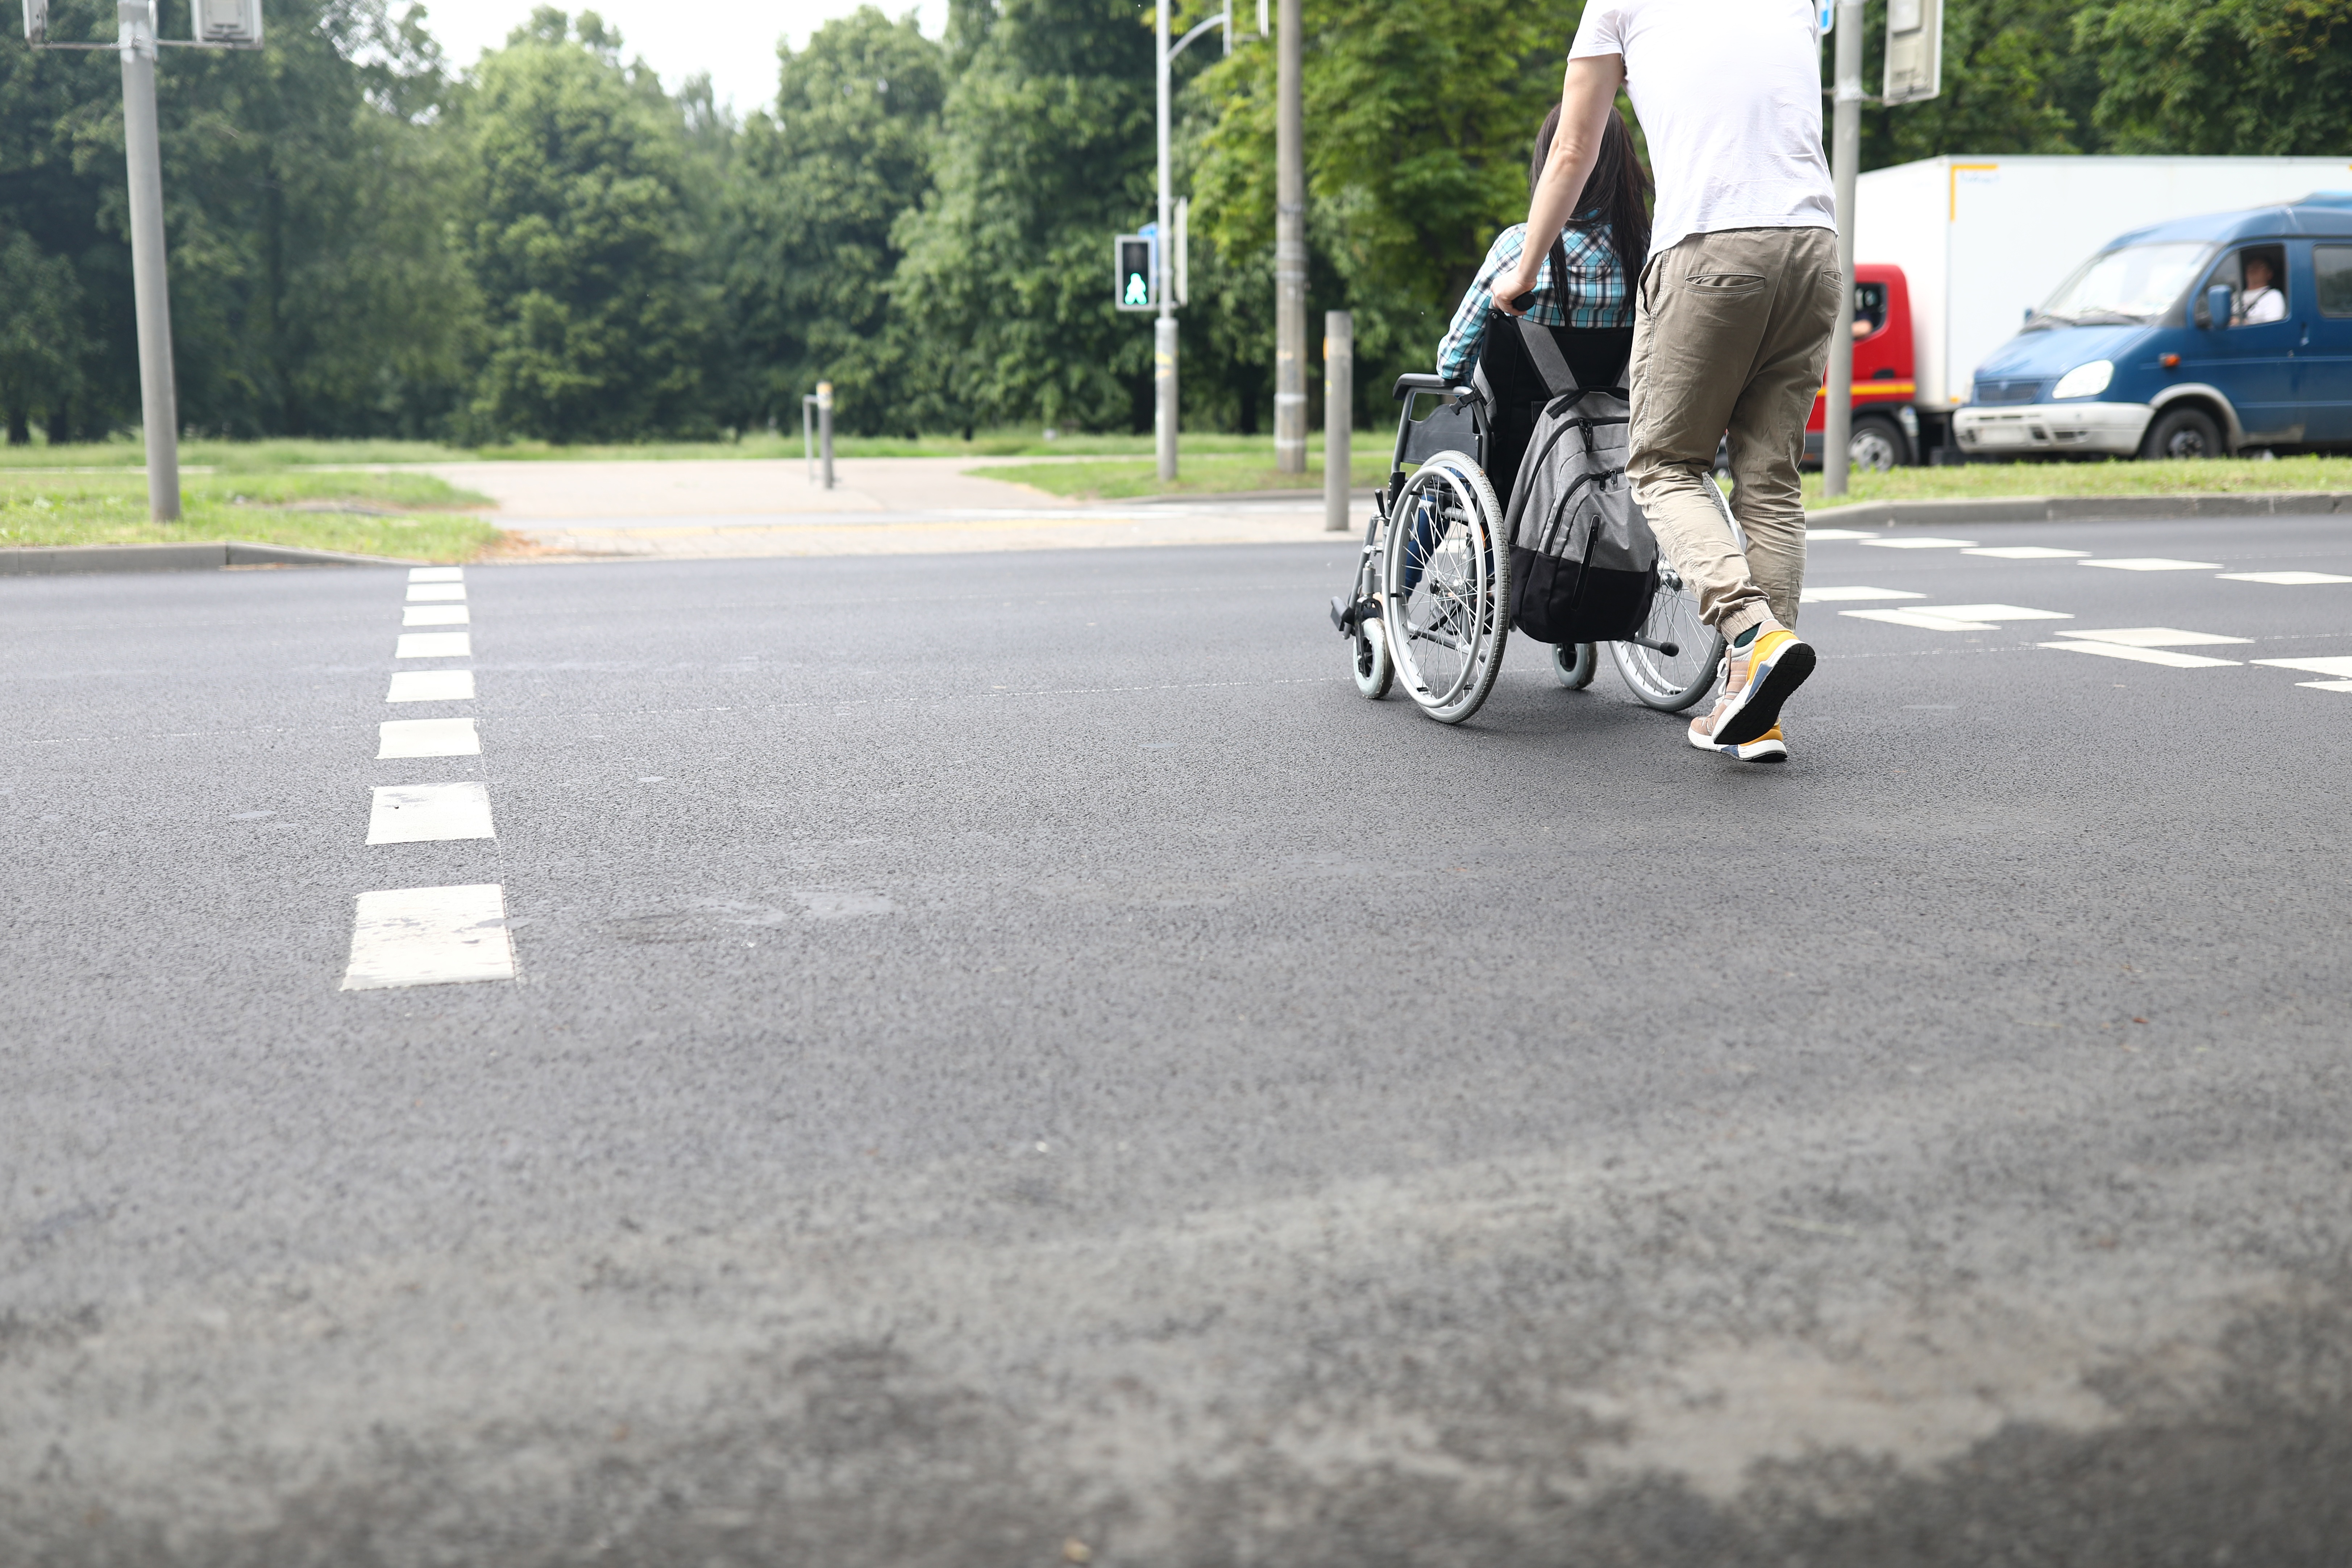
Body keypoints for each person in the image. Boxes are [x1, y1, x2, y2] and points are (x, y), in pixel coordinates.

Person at [1497, 0, 1840, 765]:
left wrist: (1524, 270)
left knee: (1662, 465)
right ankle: (1752, 713)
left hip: (1710, 245)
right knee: (1770, 482)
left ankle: (1751, 632)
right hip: (1813, 246)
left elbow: (1573, 148)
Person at [1435, 104, 1650, 512]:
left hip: (1517, 464)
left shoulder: (1518, 250)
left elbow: (1451, 363)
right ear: (1625, 170)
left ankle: (1406, 576)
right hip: (1621, 459)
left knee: (1446, 473)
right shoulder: (1650, 253)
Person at [2236, 254, 2285, 326]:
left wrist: (2240, 323)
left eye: (2260, 267)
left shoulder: (2273, 296)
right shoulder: (2236, 296)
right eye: (2251, 267)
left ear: (2269, 274)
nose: (2254, 269)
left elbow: (2272, 329)